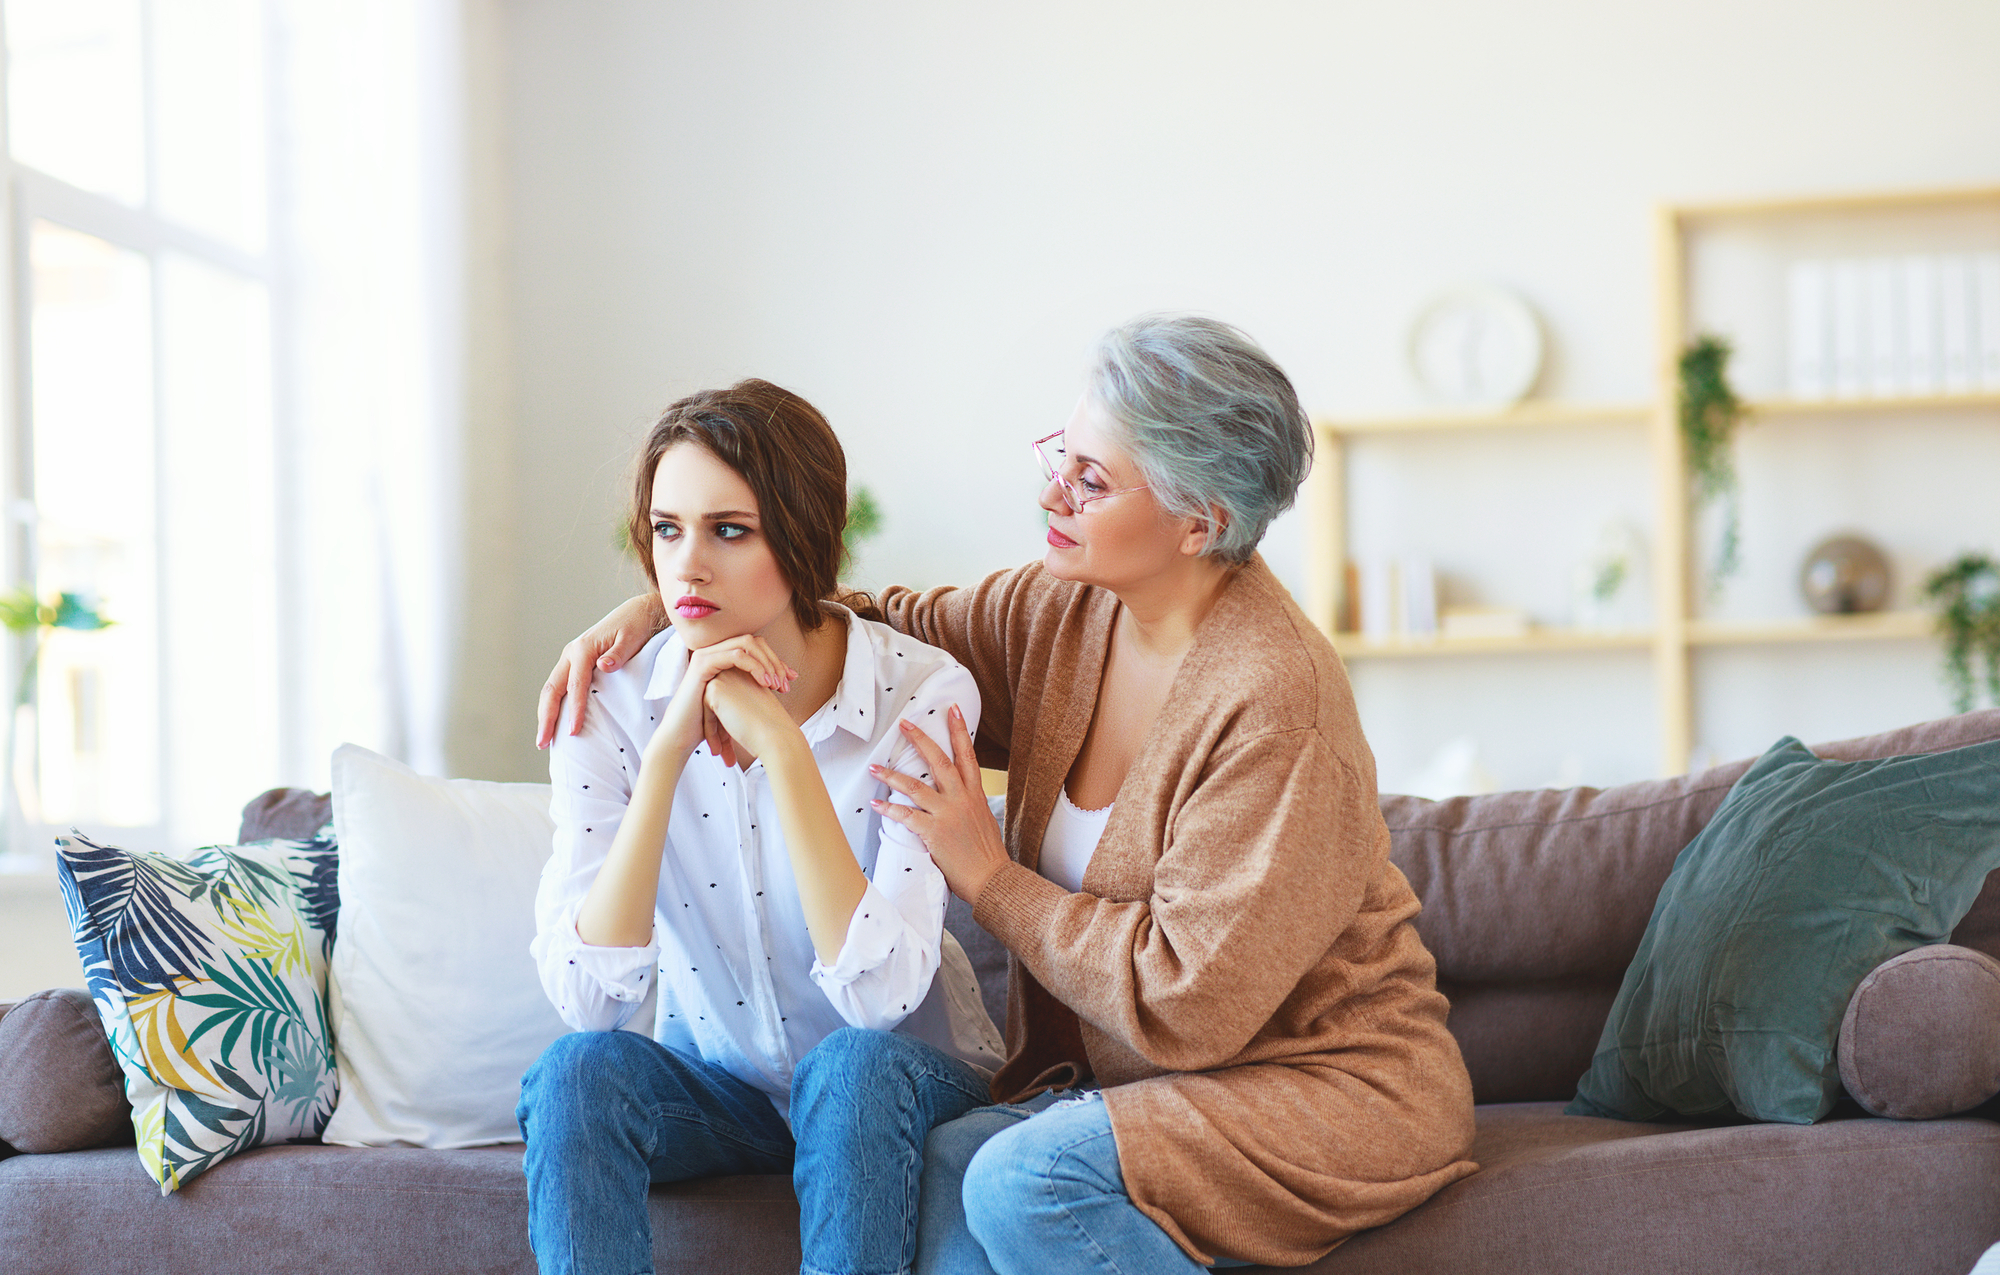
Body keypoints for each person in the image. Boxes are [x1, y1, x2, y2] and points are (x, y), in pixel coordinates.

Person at [538, 316, 1479, 1273]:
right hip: (1148, 1084)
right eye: (1061, 455)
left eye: (1093, 480)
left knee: (1018, 1178)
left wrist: (988, 874)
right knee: (948, 1158)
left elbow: (1189, 1005)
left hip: (1318, 1083)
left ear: (1201, 523)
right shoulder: (1064, 609)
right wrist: (664, 607)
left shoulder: (1274, 700)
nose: (1052, 490)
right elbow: (856, 617)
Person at [518, 378, 1004, 1275]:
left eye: (728, 530)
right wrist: (665, 754)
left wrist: (783, 747)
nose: (686, 568)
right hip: (724, 1089)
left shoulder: (920, 693)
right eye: (668, 530)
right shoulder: (609, 701)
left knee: (850, 1069)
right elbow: (592, 1002)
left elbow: (881, 998)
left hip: (899, 1078)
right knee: (573, 1073)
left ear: (801, 533)